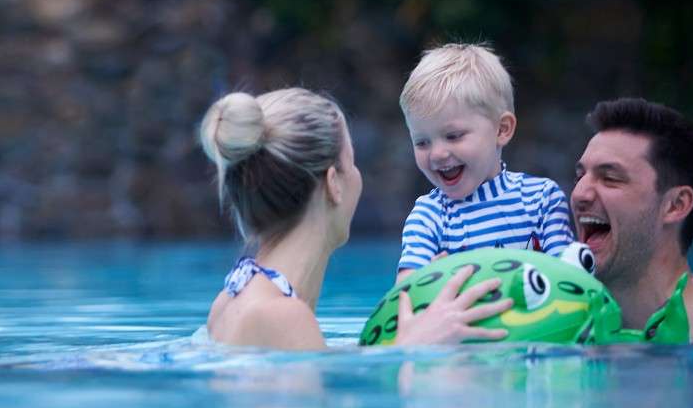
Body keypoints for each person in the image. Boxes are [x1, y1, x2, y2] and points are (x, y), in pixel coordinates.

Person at [198, 88, 513, 350]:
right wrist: (412, 349)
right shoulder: (280, 316)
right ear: (334, 183)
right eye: (353, 162)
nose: (358, 178)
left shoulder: (231, 300)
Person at [572, 97, 693, 341]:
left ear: (675, 205)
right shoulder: (557, 310)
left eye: (610, 178)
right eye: (579, 176)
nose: (578, 194)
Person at [395, 42, 573, 283]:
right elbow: (403, 297)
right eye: (422, 142)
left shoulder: (541, 200)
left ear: (502, 129)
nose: (436, 153)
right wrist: (421, 283)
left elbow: (571, 281)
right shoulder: (429, 217)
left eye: (453, 136)